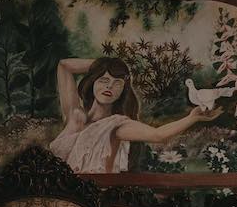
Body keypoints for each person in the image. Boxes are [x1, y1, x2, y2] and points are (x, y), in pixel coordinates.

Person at [49, 57, 222, 173]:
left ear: (122, 91)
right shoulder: (75, 116)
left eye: (117, 83)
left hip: (92, 200)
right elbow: (64, 66)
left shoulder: (117, 125)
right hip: (61, 198)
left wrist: (192, 118)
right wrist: (105, 64)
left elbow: (158, 135)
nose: (109, 87)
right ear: (92, 81)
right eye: (103, 80)